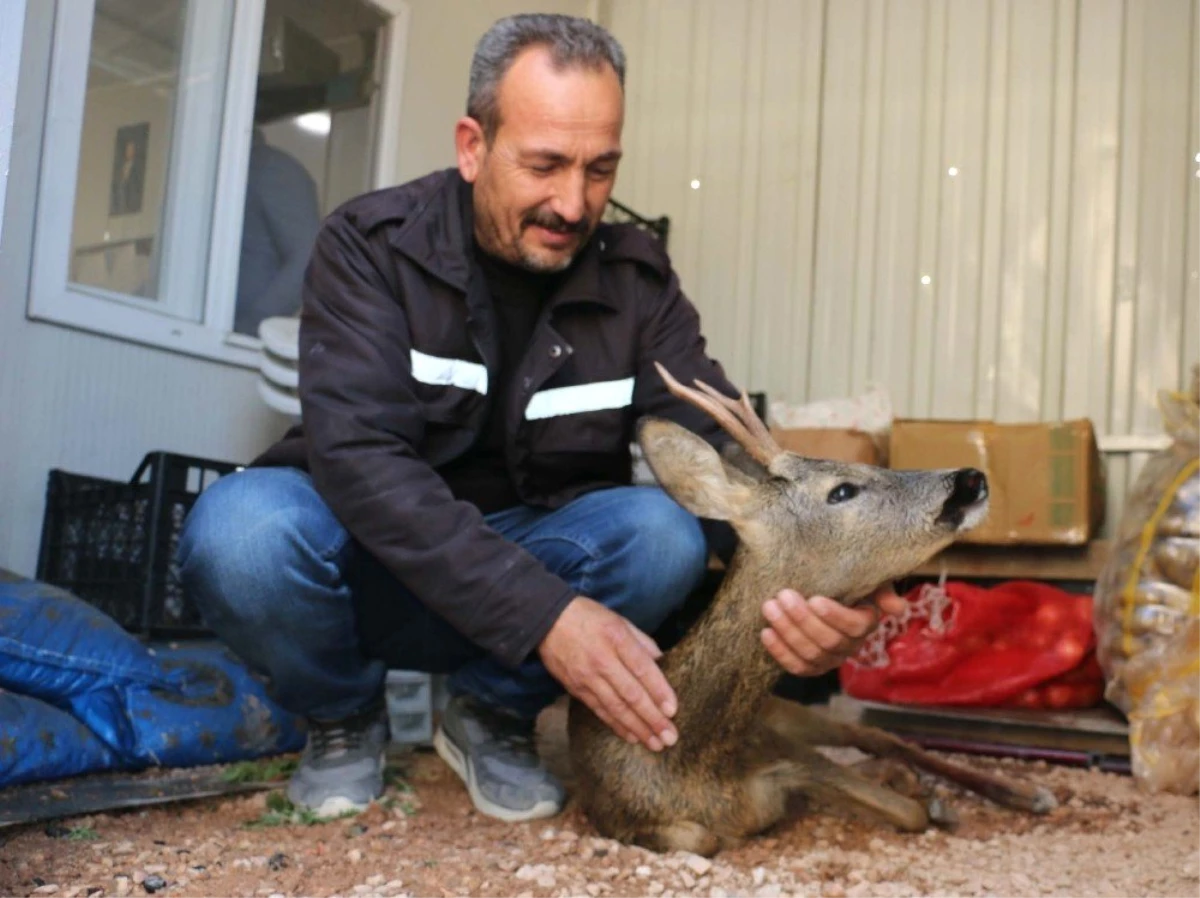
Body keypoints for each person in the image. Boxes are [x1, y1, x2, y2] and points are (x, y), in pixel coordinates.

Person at [177, 13, 904, 824]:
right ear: (471, 145)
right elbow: (362, 464)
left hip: (538, 566)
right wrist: (544, 615)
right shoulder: (368, 246)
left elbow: (713, 455)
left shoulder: (636, 279)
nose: (574, 202)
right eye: (546, 164)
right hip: (374, 570)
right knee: (240, 532)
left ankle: (491, 712)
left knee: (660, 533)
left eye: (601, 169)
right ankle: (343, 718)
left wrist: (824, 587)